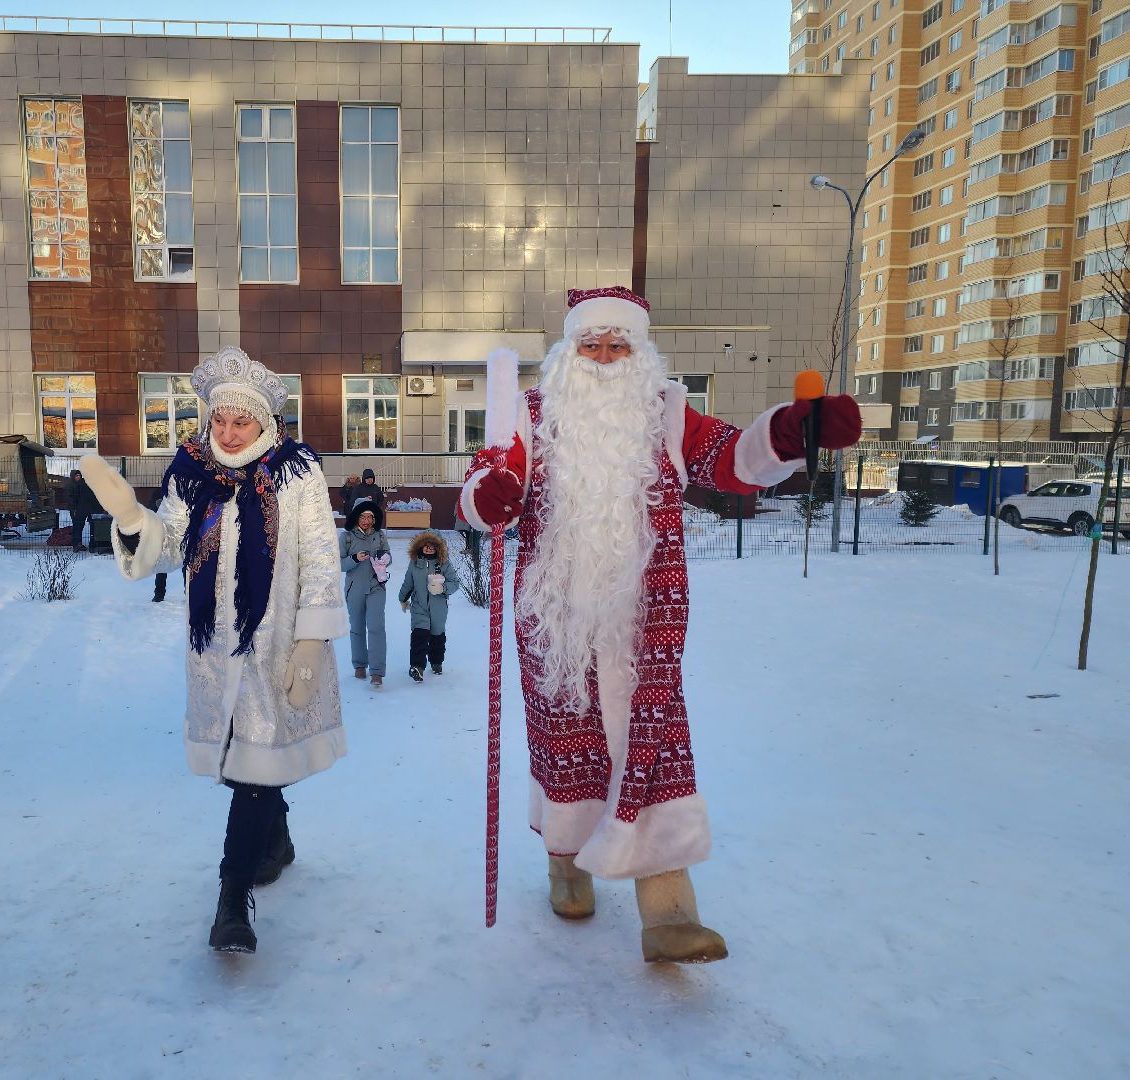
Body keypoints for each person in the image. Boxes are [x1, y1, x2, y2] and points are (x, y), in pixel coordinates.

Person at [459, 285, 861, 964]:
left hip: (645, 624)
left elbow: (732, 462)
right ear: (569, 350)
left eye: (620, 345)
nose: (607, 357)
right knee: (571, 752)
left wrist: (791, 431)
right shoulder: (532, 417)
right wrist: (487, 497)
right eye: (593, 344)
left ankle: (670, 910)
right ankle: (568, 864)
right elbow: (487, 485)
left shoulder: (667, 415)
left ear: (641, 352)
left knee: (655, 746)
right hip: (557, 626)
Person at [77, 346, 347, 955]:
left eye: (241, 422)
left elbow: (322, 556)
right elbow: (170, 546)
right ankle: (273, 843)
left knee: (253, 754)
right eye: (219, 419)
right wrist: (130, 519)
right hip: (215, 646)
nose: (227, 432)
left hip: (278, 642)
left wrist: (310, 642)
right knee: (248, 757)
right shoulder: (191, 470)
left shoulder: (297, 471)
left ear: (265, 422)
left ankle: (232, 897)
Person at [339, 500, 390, 688]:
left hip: (376, 587)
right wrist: (354, 558)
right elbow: (339, 563)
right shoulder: (346, 537)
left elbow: (388, 556)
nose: (366, 520)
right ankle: (359, 665)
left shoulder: (380, 536)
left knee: (376, 627)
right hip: (355, 588)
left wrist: (385, 559)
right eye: (362, 516)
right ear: (356, 517)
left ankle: (377, 672)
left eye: (370, 517)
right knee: (357, 628)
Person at [398, 530, 460, 681]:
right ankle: (417, 667)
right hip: (419, 606)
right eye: (426, 545)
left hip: (438, 608)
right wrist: (403, 599)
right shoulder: (415, 563)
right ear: (420, 546)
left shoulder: (443, 564)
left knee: (437, 636)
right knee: (419, 634)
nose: (429, 548)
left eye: (433, 545)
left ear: (438, 547)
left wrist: (443, 588)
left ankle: (436, 661)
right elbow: (408, 583)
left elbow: (455, 582)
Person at [66, 468, 97, 552]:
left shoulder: (81, 483)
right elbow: (70, 498)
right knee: (77, 526)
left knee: (80, 526)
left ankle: (79, 544)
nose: (78, 477)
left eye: (79, 475)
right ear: (73, 476)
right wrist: (75, 508)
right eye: (76, 476)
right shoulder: (70, 485)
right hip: (75, 509)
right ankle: (76, 544)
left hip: (82, 508)